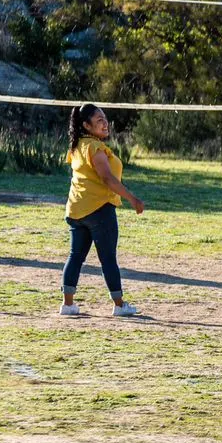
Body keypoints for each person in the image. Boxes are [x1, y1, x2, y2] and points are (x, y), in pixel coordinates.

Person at [61, 104, 143, 318]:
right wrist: (132, 199)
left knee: (75, 256)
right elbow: (107, 179)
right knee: (108, 258)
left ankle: (68, 305)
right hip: (99, 210)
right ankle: (119, 305)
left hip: (76, 210)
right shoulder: (95, 148)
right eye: (99, 120)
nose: (105, 123)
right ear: (86, 125)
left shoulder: (77, 145)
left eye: (105, 118)